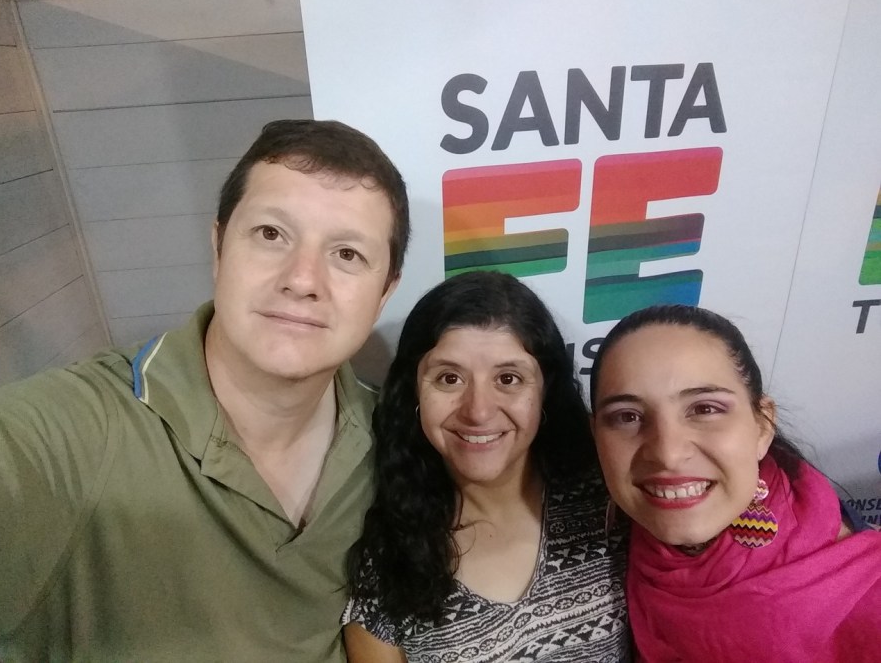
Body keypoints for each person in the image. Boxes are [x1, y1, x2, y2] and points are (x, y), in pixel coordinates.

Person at [0, 119, 409, 662]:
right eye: (271, 234)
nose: (302, 279)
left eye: (347, 254)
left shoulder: (394, 439)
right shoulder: (79, 433)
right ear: (218, 247)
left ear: (384, 291)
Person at [343, 271, 631, 663]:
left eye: (508, 378)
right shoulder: (387, 564)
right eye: (449, 378)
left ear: (545, 389)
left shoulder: (611, 505)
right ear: (413, 391)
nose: (478, 411)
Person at [589, 304, 881, 663]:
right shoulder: (620, 545)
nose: (667, 454)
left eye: (705, 409)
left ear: (762, 426)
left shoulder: (868, 596)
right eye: (627, 417)